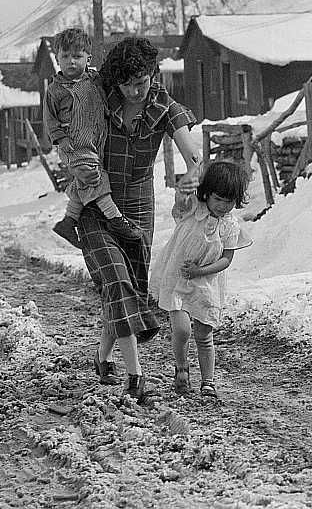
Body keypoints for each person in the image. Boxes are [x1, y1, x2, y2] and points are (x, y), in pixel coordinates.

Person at [78, 37, 201, 402]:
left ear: (153, 75)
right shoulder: (98, 99)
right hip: (96, 201)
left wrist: (191, 174)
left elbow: (190, 149)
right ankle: (136, 376)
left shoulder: (164, 106)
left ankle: (102, 358)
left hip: (139, 207)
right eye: (128, 83)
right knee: (117, 281)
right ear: (115, 81)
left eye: (142, 81)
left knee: (126, 286)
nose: (135, 90)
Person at [150, 160, 251, 399]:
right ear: (206, 194)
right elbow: (182, 199)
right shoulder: (193, 209)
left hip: (206, 283)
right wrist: (189, 178)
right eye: (218, 200)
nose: (223, 207)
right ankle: (182, 368)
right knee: (182, 329)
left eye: (229, 202)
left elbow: (226, 259)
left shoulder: (230, 226)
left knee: (204, 335)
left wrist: (200, 271)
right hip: (178, 278)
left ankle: (208, 382)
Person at [43, 27, 143, 249]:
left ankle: (68, 222)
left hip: (95, 140)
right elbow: (49, 120)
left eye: (77, 56)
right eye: (65, 56)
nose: (71, 62)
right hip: (73, 141)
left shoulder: (95, 80)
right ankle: (115, 218)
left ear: (88, 57)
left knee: (84, 179)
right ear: (57, 59)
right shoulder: (55, 90)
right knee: (93, 176)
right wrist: (61, 140)